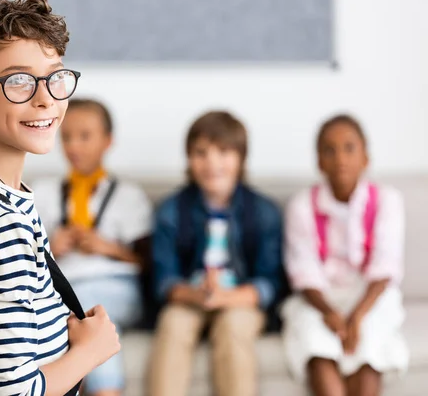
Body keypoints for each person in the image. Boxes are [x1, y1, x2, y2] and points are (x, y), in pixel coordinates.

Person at [0, 0, 119, 395]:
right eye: (17, 80)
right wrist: (92, 351)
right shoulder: (4, 225)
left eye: (55, 76)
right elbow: (12, 393)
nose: (47, 98)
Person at [148, 111, 286, 396]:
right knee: (173, 323)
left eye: (223, 152)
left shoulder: (263, 212)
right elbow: (164, 280)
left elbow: (271, 282)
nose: (212, 163)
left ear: (241, 158)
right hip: (191, 296)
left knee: (233, 326)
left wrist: (228, 298)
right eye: (201, 153)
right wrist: (197, 294)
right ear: (188, 158)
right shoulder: (171, 210)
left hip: (240, 300)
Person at [32, 98, 153, 396]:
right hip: (63, 286)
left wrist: (108, 248)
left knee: (84, 313)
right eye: (67, 136)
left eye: (85, 136)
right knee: (80, 315)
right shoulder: (42, 193)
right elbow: (22, 257)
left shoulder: (129, 197)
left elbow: (147, 262)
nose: (74, 146)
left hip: (114, 287)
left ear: (107, 141)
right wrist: (51, 248)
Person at [281, 114, 408, 396]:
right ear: (318, 161)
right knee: (319, 349)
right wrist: (331, 314)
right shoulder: (302, 206)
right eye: (329, 150)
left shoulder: (388, 201)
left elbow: (385, 265)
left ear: (365, 158)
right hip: (320, 299)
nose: (340, 158)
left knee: (368, 353)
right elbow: (303, 268)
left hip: (370, 297)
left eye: (349, 148)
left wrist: (357, 317)